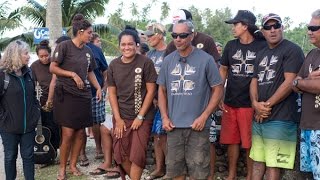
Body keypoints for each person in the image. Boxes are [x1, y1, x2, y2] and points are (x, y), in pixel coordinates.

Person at [157, 19, 223, 179]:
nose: (178, 39)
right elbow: (162, 90)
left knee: (199, 171)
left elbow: (218, 89)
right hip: (173, 126)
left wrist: (204, 116)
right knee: (175, 171)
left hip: (198, 127)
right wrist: (165, 117)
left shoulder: (206, 59)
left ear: (192, 36)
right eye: (174, 35)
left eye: (183, 35)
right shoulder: (168, 60)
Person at [249, 13, 304, 180]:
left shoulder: (292, 49)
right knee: (258, 161)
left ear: (282, 28)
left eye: (276, 26)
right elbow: (254, 80)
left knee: (274, 164)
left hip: (282, 116)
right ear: (262, 31)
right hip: (260, 116)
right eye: (268, 27)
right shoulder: (261, 52)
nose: (272, 30)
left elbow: (290, 82)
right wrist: (255, 104)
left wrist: (265, 106)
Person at [50, 14, 102, 180]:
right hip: (66, 95)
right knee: (68, 133)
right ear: (80, 32)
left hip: (84, 96)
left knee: (81, 133)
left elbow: (90, 71)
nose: (91, 35)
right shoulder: (64, 46)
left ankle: (73, 165)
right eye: (89, 32)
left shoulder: (88, 51)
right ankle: (62, 169)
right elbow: (53, 68)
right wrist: (72, 74)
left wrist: (98, 87)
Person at [219, 10, 267, 180]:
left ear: (245, 26)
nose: (233, 28)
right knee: (232, 140)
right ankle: (231, 175)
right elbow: (223, 69)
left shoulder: (262, 46)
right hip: (231, 100)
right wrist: (219, 94)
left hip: (250, 103)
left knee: (249, 143)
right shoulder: (231, 45)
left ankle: (249, 176)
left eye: (235, 24)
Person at [106, 26, 157, 180]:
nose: (126, 47)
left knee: (137, 154)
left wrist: (140, 117)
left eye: (130, 44)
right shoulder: (113, 65)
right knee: (120, 153)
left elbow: (151, 91)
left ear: (137, 45)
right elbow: (112, 93)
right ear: (119, 45)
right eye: (123, 44)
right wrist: (118, 119)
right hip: (121, 116)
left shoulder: (146, 62)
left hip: (142, 117)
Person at [0, 40, 40, 180]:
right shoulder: (2, 75)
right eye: (26, 53)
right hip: (9, 128)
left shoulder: (28, 73)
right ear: (16, 55)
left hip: (28, 126)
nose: (29, 56)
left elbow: (34, 96)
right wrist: (3, 119)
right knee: (10, 157)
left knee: (28, 157)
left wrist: (35, 114)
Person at [292, 9, 320, 180]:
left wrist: (301, 82)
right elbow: (294, 83)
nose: (309, 31)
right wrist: (304, 81)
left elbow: (317, 86)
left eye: (314, 28)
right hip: (308, 125)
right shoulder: (312, 54)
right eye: (308, 27)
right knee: (309, 174)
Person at [79, 32, 108, 166]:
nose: (90, 34)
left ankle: (98, 148)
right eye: (88, 32)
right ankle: (82, 153)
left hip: (96, 92)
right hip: (78, 93)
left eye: (91, 32)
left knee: (97, 121)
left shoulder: (96, 50)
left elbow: (105, 70)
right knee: (79, 124)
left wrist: (104, 88)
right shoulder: (70, 48)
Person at [144, 22, 167, 180]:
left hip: (167, 101)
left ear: (160, 35)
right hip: (153, 101)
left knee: (165, 136)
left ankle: (172, 169)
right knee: (157, 136)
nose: (148, 38)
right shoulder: (150, 55)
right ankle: (159, 168)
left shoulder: (170, 52)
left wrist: (160, 98)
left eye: (151, 35)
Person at [30, 40, 60, 152]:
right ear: (37, 55)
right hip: (43, 101)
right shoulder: (34, 66)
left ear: (50, 53)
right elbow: (32, 84)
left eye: (46, 55)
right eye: (41, 56)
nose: (44, 58)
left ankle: (62, 149)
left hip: (59, 98)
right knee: (47, 126)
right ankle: (50, 151)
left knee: (60, 126)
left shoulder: (55, 63)